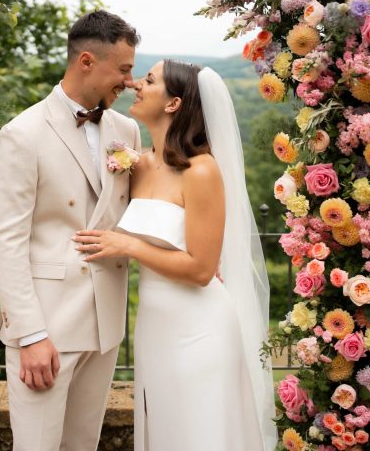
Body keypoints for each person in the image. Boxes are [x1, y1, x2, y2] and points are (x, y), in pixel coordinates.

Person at [74, 60, 278, 450]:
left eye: (149, 80)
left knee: (199, 433)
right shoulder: (136, 164)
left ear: (173, 104)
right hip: (154, 325)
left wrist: (128, 245)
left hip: (200, 328)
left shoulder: (202, 171)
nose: (136, 84)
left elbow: (202, 269)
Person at [0, 10, 141, 451]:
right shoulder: (23, 133)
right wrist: (30, 335)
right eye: (124, 69)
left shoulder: (126, 130)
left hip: (104, 323)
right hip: (47, 328)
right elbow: (6, 240)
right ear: (87, 61)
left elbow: (134, 217)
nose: (129, 82)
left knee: (82, 446)